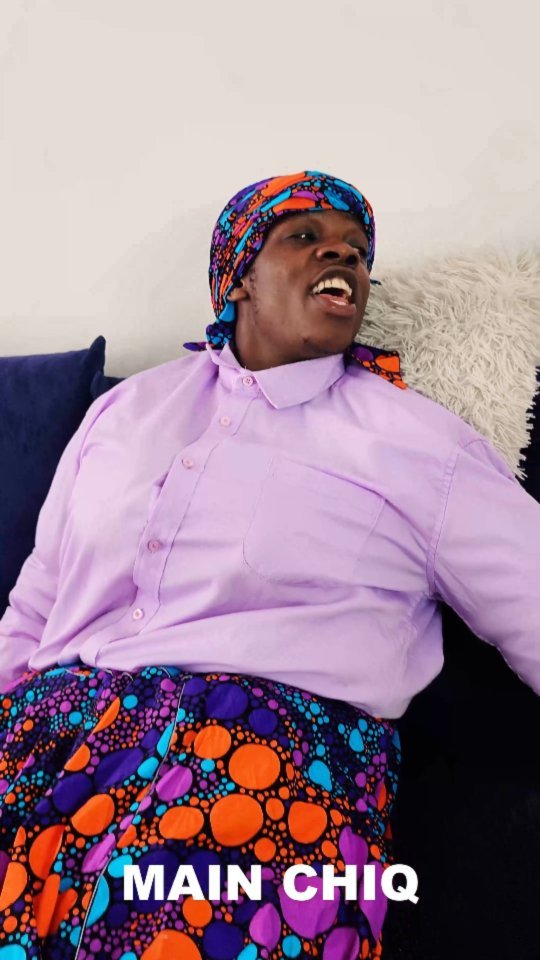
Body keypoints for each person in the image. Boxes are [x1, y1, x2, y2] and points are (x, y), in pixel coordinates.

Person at [0, 170, 538, 960]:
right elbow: (37, 602)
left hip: (266, 747)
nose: (342, 255)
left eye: (356, 251)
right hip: (53, 727)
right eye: (305, 236)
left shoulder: (419, 442)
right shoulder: (123, 413)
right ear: (239, 277)